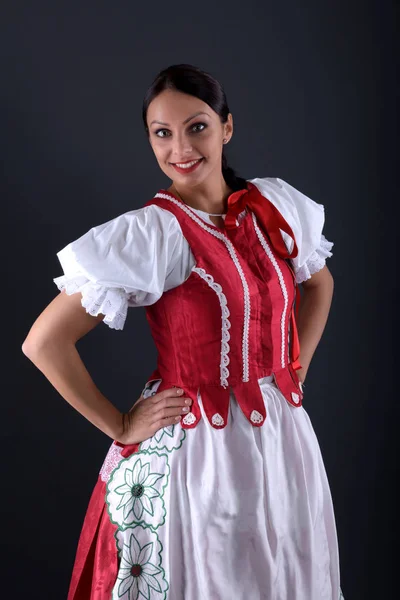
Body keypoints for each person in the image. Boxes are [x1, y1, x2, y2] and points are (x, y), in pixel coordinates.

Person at [22, 63, 345, 600]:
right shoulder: (156, 234)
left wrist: (292, 368)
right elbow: (43, 342)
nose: (180, 148)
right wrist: (121, 425)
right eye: (162, 133)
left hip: (284, 442)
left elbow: (321, 286)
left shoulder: (274, 206)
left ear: (227, 127)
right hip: (199, 454)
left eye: (196, 127)